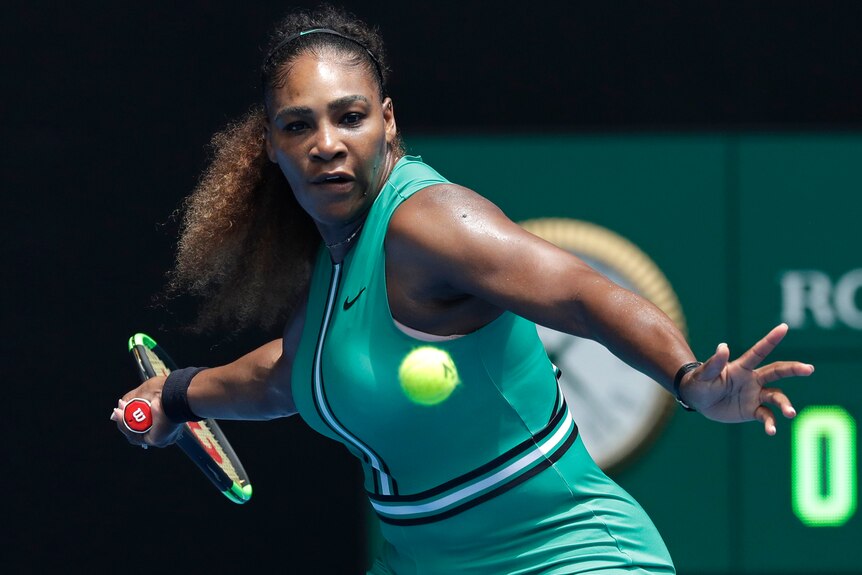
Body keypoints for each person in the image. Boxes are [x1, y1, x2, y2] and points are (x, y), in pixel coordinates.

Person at [112, 6, 814, 574]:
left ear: (386, 121)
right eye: (299, 124)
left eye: (348, 116)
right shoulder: (333, 263)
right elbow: (292, 376)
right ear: (270, 142)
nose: (326, 141)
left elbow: (579, 291)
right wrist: (177, 394)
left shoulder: (427, 221)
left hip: (568, 555)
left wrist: (688, 378)